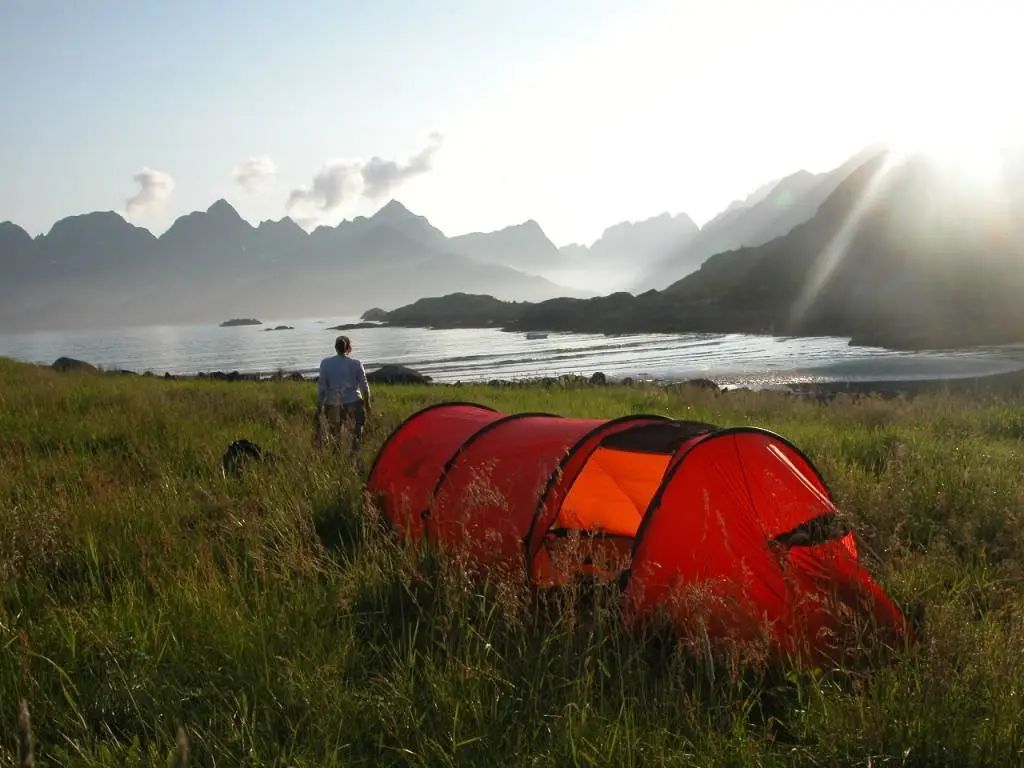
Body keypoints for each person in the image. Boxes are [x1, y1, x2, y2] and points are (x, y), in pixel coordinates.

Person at [317, 335, 371, 450]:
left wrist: (319, 407)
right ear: (348, 347)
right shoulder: (356, 363)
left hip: (333, 405)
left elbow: (322, 388)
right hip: (354, 403)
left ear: (335, 347)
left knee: (335, 437)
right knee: (356, 436)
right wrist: (367, 405)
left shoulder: (325, 363)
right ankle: (354, 460)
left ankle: (337, 459)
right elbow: (364, 386)